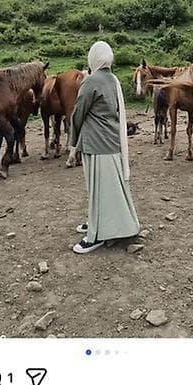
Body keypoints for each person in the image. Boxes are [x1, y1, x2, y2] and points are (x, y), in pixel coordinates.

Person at [70, 40, 139, 253]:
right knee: (107, 188)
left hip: (96, 144)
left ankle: (97, 235)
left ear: (94, 58)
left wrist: (73, 143)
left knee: (98, 188)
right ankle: (98, 222)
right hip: (111, 141)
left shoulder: (91, 82)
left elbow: (78, 112)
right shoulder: (112, 79)